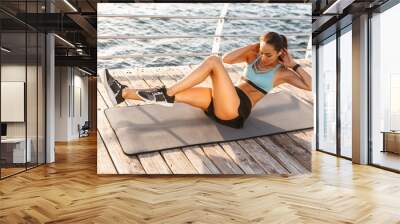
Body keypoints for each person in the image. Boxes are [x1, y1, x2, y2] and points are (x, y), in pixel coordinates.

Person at [102, 32, 312, 129]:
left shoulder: (282, 72)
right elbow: (229, 59)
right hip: (220, 101)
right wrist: (253, 47)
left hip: (235, 111)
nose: (263, 57)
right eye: (261, 51)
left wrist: (294, 65)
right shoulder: (253, 55)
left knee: (212, 61)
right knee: (179, 95)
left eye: (268, 55)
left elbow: (310, 86)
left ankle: (165, 91)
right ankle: (123, 93)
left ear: (280, 53)